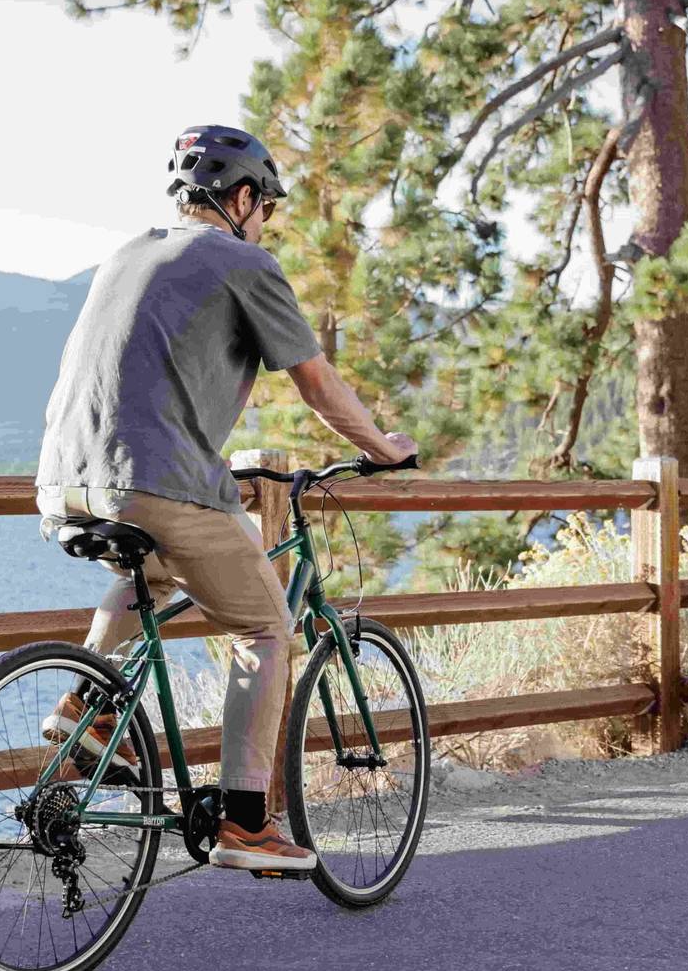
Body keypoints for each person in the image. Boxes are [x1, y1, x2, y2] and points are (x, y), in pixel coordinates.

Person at [34, 123, 417, 872]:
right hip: (155, 477)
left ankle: (83, 703)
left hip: (64, 479)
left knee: (145, 569)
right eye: (266, 204)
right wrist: (382, 447)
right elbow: (315, 383)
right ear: (243, 197)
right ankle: (247, 821)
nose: (266, 219)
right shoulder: (244, 262)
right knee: (267, 627)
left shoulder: (126, 254)